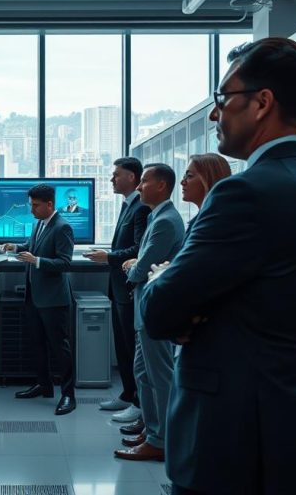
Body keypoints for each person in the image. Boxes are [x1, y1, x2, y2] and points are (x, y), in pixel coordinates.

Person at [142, 37, 296, 495]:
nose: (215, 115)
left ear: (262, 103)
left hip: (232, 442)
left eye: (223, 99)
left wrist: (185, 301)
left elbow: (160, 308)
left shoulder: (244, 192)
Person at [112, 163, 185, 462]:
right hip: (146, 308)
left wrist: (132, 269)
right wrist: (135, 264)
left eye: (145, 181)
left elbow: (144, 264)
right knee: (143, 372)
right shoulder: (157, 216)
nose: (140, 187)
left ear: (162, 185)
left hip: (155, 307)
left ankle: (163, 440)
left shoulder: (166, 220)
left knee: (160, 375)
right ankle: (153, 431)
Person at [84, 157, 149, 425]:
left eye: (116, 175)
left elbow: (138, 250)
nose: (112, 179)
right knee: (121, 345)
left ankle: (138, 403)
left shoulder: (141, 209)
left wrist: (108, 257)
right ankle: (126, 394)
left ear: (132, 177)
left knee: (132, 346)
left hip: (128, 287)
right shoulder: (128, 205)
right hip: (118, 288)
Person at [2, 183, 77, 416]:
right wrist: (15, 247)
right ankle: (44, 386)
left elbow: (65, 263)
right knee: (37, 344)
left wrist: (37, 261)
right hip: (34, 296)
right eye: (30, 205)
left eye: (35, 205)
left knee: (59, 347)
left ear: (49, 204)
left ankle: (68, 394)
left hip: (54, 299)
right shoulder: (39, 224)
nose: (31, 209)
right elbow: (32, 247)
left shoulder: (62, 227)